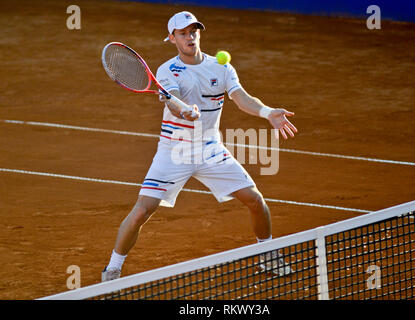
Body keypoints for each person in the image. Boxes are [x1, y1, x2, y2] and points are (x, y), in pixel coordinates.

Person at [102, 11, 298, 282]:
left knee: (255, 200)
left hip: (210, 149)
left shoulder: (222, 67)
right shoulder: (166, 70)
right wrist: (185, 111)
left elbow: (241, 98)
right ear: (172, 38)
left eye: (193, 31)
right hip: (174, 150)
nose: (190, 36)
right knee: (142, 211)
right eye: (183, 33)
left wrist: (267, 112)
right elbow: (173, 101)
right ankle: (113, 267)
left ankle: (268, 254)